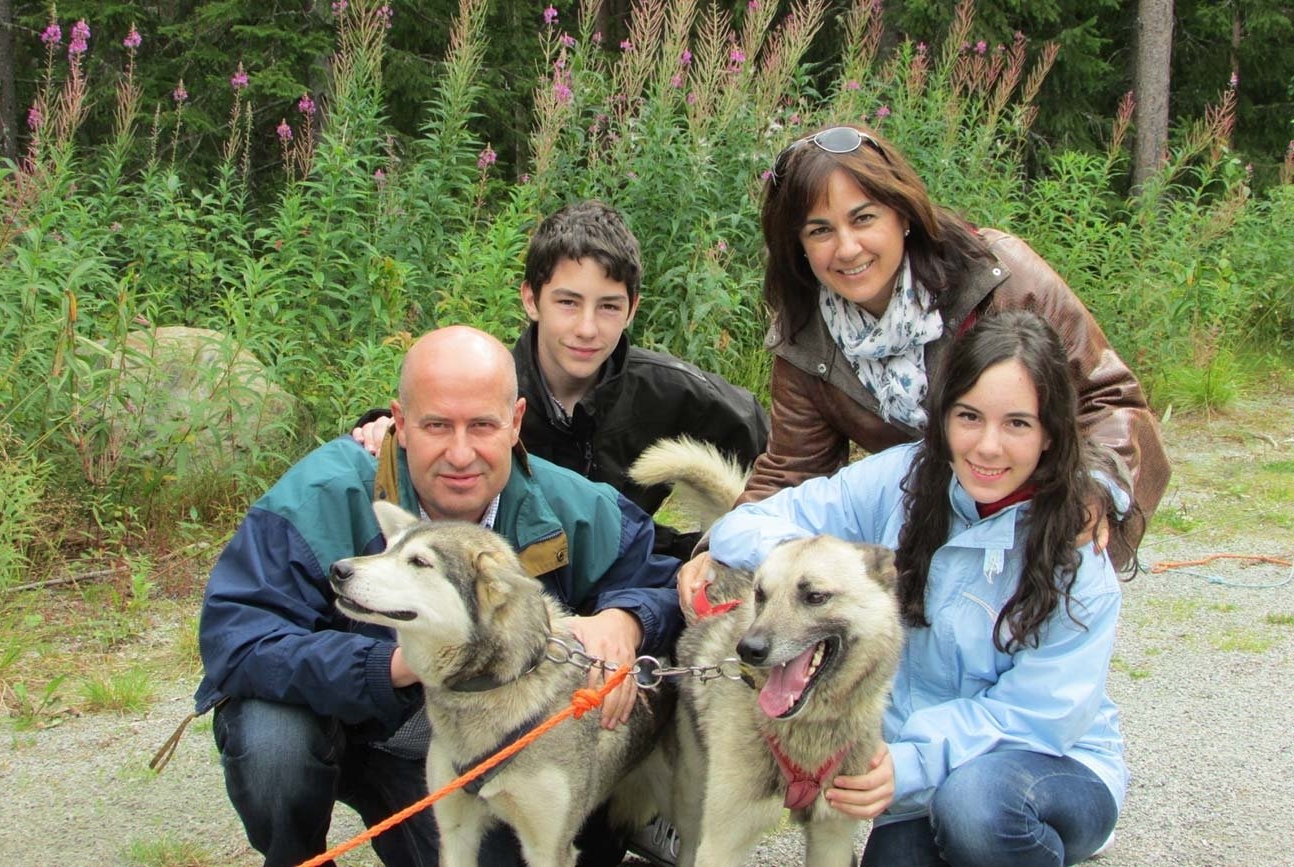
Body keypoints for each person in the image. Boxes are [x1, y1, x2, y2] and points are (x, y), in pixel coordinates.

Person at [195, 326, 682, 867]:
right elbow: (238, 636)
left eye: (481, 425)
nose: (460, 453)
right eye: (436, 425)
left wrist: (627, 619)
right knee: (271, 746)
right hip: (326, 714)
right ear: (399, 424)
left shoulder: (571, 505)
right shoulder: (319, 497)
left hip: (447, 737)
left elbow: (659, 577)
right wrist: (389, 666)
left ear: (515, 422)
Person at [700, 310, 1127, 866]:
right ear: (943, 417)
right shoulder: (899, 480)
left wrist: (913, 762)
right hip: (915, 781)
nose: (989, 447)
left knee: (977, 811)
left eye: (1018, 423)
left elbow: (1042, 715)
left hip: (1047, 767)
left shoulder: (1078, 548)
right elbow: (746, 524)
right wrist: (822, 569)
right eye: (969, 416)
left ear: (1051, 433)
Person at [742, 123, 1169, 568]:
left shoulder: (996, 276)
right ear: (798, 246)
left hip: (1046, 508)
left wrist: (1094, 487)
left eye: (863, 218)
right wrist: (723, 550)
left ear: (903, 214)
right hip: (933, 517)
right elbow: (793, 473)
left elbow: (1109, 397)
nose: (847, 248)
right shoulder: (806, 336)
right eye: (820, 230)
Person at [355, 200, 768, 561]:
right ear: (532, 300)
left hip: (622, 575)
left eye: (608, 307)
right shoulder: (493, 392)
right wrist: (377, 425)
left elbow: (779, 454)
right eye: (568, 303)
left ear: (632, 309)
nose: (587, 329)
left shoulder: (669, 390)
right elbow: (428, 420)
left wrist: (707, 550)